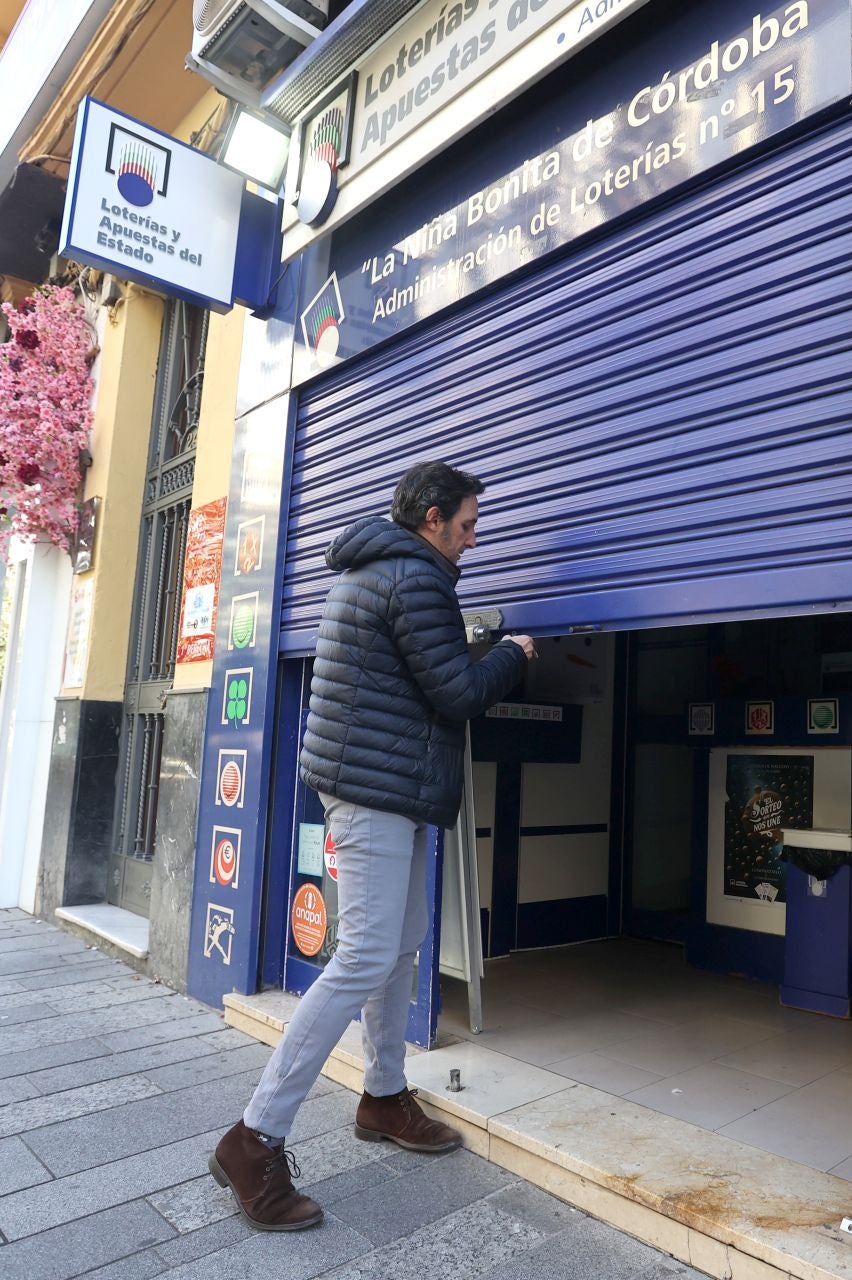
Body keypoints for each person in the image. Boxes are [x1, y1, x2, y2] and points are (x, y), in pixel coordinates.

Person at [209, 460, 534, 1232]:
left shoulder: (383, 567)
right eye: (466, 526)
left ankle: (383, 1096)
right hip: (372, 792)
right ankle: (253, 1140)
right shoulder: (415, 577)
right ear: (430, 518)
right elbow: (456, 691)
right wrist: (514, 656)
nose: (472, 540)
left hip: (383, 787)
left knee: (402, 947)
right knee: (363, 955)